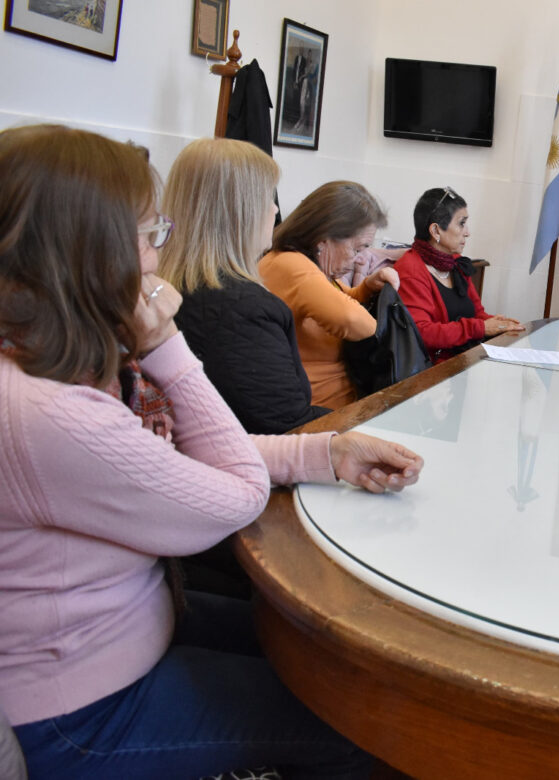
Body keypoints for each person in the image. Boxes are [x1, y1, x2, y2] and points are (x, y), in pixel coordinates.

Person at [0, 123, 424, 779]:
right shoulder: (43, 411)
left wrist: (326, 455)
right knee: (365, 726)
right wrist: (166, 344)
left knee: (339, 662)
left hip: (133, 632)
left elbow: (169, 462)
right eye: (148, 236)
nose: (154, 259)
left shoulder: (44, 365)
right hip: (83, 713)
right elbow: (236, 494)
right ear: (87, 252)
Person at [159, 137, 329, 434]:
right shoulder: (242, 310)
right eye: (267, 198)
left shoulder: (164, 291)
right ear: (239, 212)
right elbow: (289, 428)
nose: (275, 210)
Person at [258, 180, 400, 409]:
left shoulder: (308, 265)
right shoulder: (292, 266)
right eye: (357, 248)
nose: (361, 258)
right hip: (318, 413)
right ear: (323, 239)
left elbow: (337, 302)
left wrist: (366, 288)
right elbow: (353, 320)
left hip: (338, 406)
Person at [396, 187, 524, 363]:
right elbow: (422, 333)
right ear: (435, 231)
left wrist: (501, 325)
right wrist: (482, 327)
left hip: (464, 361)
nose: (467, 232)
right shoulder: (410, 270)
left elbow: (477, 315)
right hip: (432, 372)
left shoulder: (455, 262)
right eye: (461, 223)